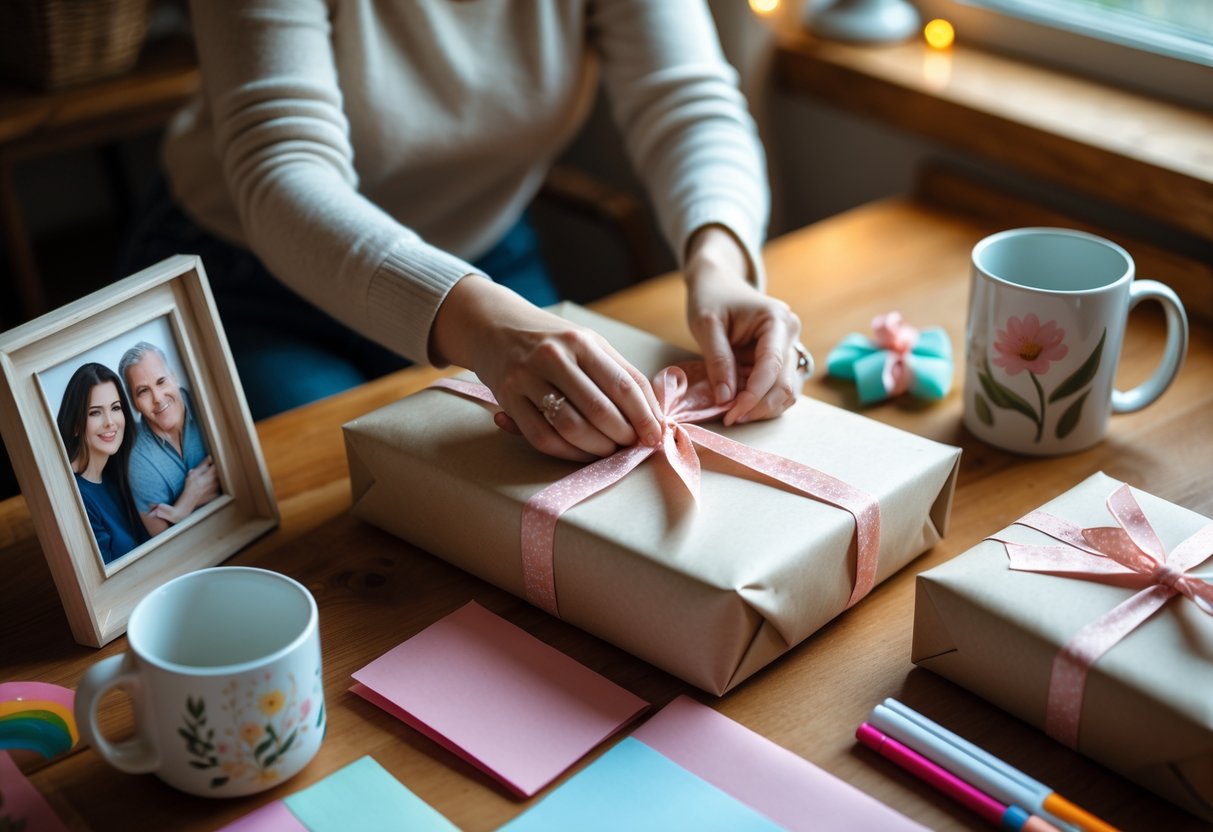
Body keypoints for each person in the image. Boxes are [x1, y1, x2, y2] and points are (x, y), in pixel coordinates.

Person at [120, 1, 803, 461]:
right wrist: (479, 323)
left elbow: (689, 103)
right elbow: (282, 172)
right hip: (247, 275)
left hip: (485, 255)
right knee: (336, 491)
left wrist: (720, 264)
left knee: (557, 473)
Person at [119, 342, 219, 535]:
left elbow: (239, 476)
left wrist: (178, 513)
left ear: (174, 377)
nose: (157, 397)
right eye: (143, 391)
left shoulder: (208, 404)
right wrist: (186, 503)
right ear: (134, 403)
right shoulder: (138, 461)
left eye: (161, 381)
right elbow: (162, 539)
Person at [55, 363, 149, 564]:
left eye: (115, 408)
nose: (110, 422)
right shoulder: (75, 496)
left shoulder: (117, 476)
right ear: (75, 425)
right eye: (95, 412)